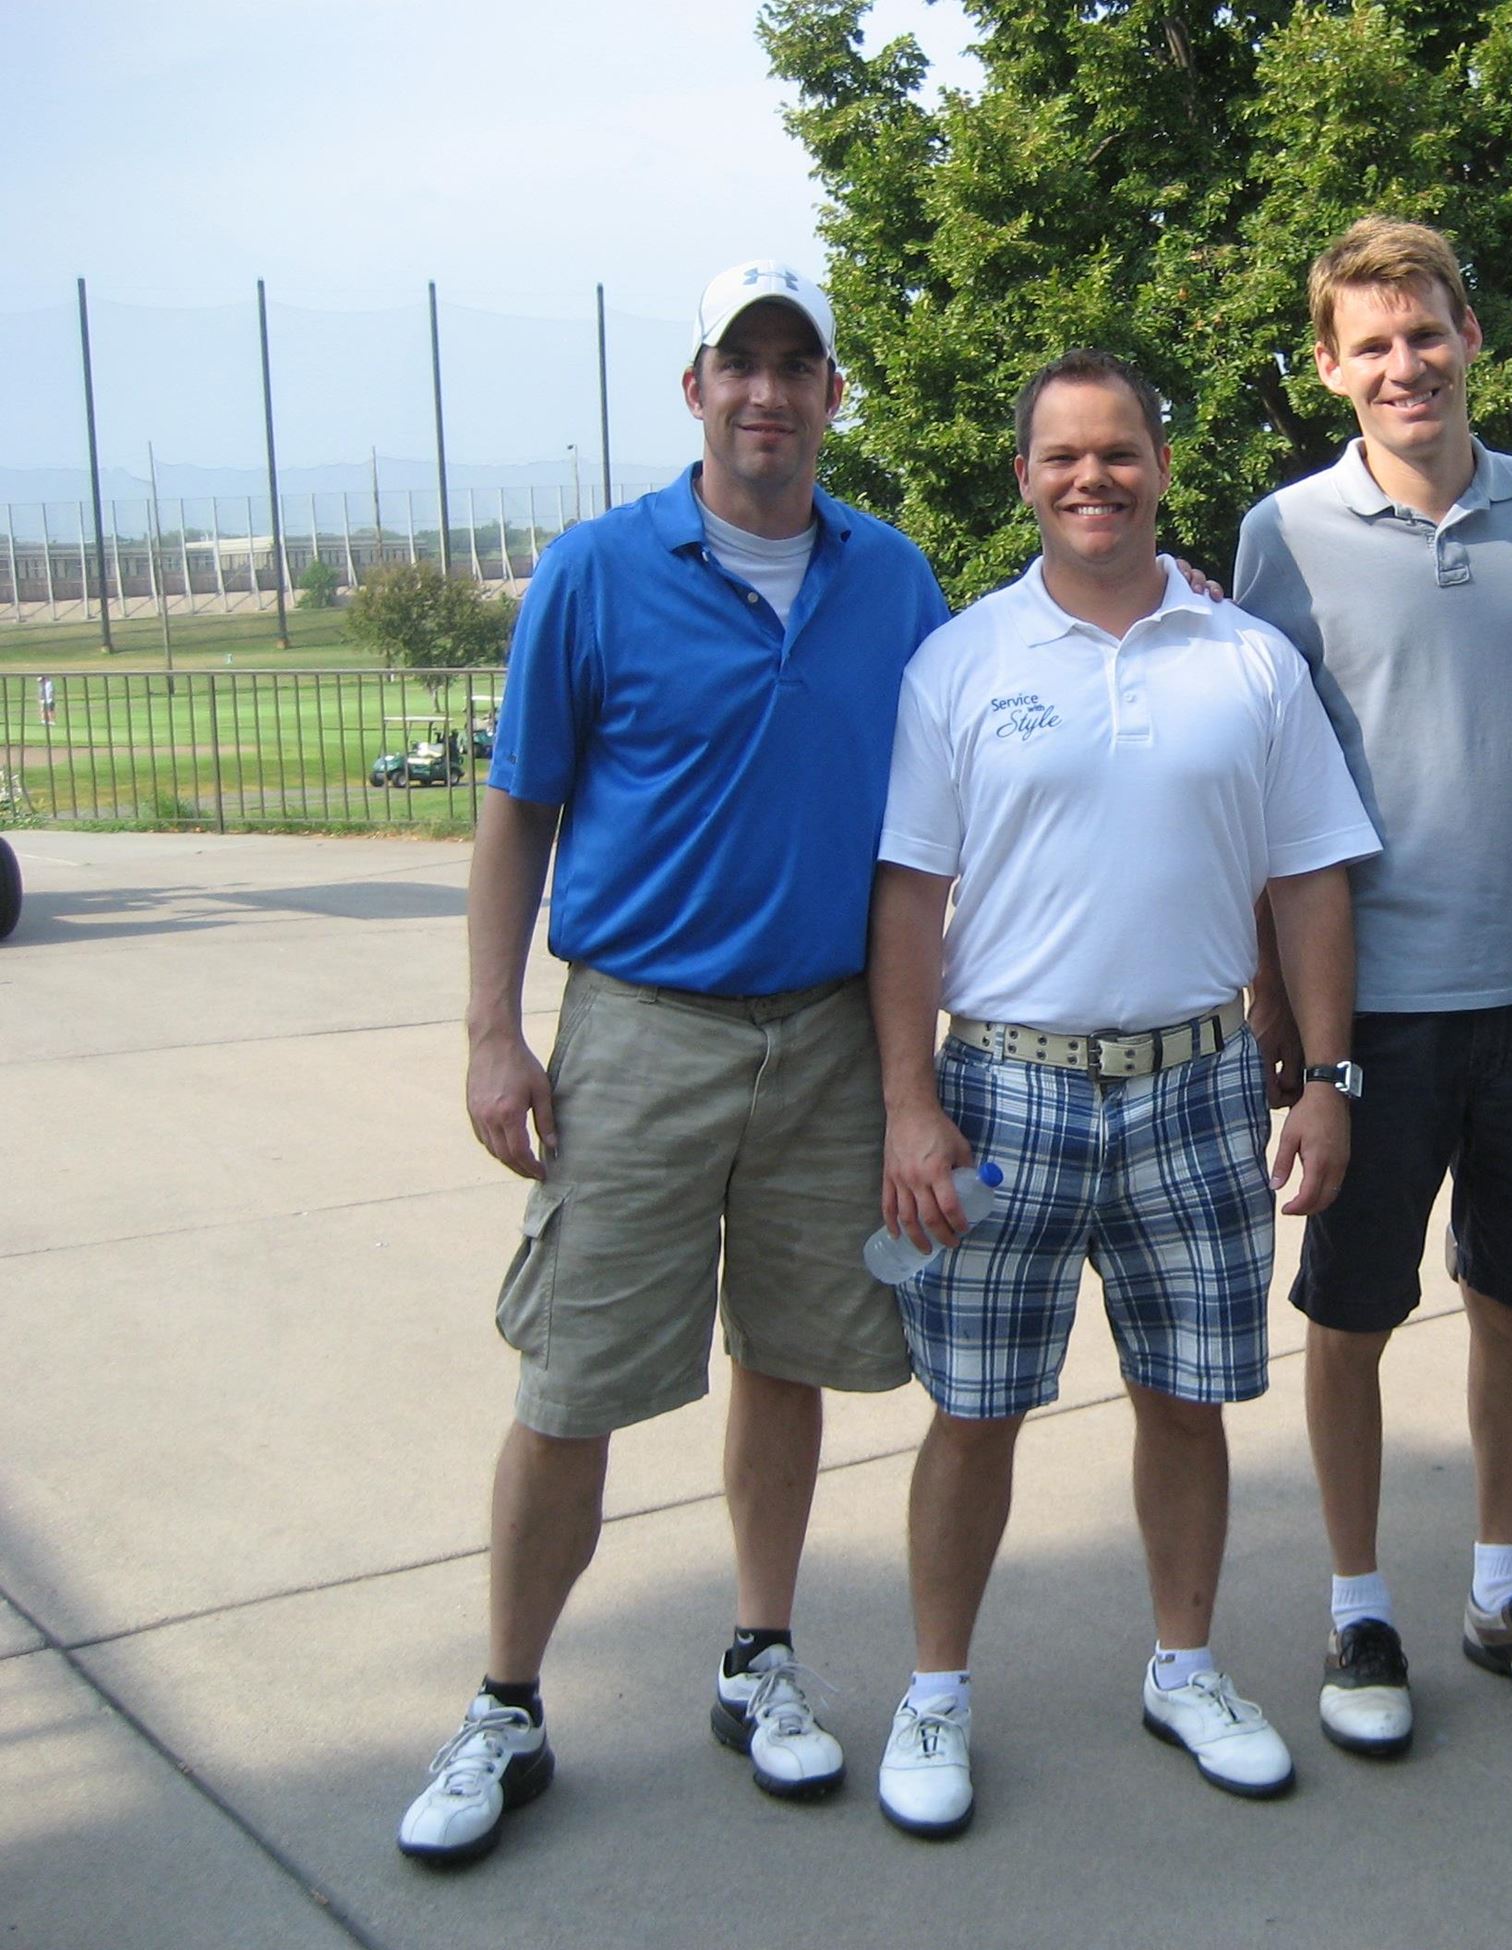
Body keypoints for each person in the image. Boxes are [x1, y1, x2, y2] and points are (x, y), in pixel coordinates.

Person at [395, 260, 950, 1865]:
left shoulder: (893, 580)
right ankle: (507, 1699)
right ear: (694, 390)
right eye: (740, 364)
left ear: (835, 395)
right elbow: (521, 808)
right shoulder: (595, 571)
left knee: (787, 1356)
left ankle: (759, 1656)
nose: (768, 392)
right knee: (572, 1378)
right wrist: (495, 1029)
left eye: (799, 365)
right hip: (638, 1026)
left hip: (832, 1031)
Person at [867, 349, 1377, 1838]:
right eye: (1062, 457)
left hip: (1198, 1085)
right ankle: (937, 1692)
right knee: (971, 1412)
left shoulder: (1247, 662)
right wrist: (910, 1101)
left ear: (1163, 464)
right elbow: (906, 899)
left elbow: (1311, 882)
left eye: (1121, 452)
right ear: (1022, 477)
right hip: (998, 1099)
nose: (1093, 478)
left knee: (1185, 1398)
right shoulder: (962, 662)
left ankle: (1186, 1664)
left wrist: (1329, 1077)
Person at [1234, 215, 1512, 1759]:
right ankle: (1356, 1603)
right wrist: (1283, 1011)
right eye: (1372, 342)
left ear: (1474, 335)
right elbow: (1269, 794)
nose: (1406, 363)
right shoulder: (1287, 535)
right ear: (1331, 367)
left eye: (1429, 330)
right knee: (1351, 1312)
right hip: (1371, 1014)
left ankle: (1506, 1585)